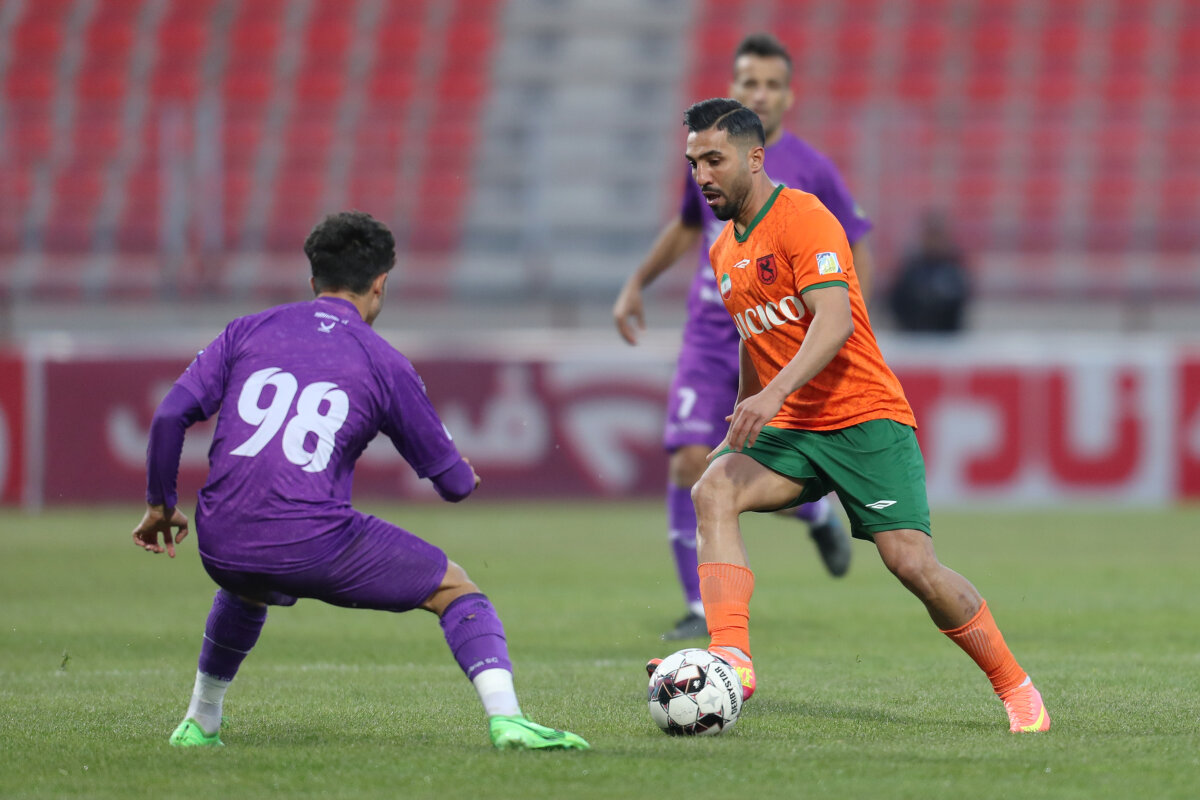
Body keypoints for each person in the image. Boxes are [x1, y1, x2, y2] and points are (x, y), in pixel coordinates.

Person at [647, 98, 1050, 734]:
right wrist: (744, 412)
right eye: (694, 163)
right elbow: (757, 339)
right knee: (713, 488)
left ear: (755, 158)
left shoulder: (805, 218)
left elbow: (833, 323)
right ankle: (733, 658)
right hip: (793, 429)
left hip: (864, 419)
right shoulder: (724, 252)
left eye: (715, 160)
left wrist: (773, 394)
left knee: (911, 564)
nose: (702, 176)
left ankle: (1016, 687)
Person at [132, 211, 589, 751]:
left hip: (221, 540)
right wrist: (464, 472)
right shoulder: (383, 362)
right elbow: (453, 486)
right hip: (313, 540)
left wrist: (160, 505)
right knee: (456, 589)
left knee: (245, 586)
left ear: (313, 281)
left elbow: (169, 415)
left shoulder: (246, 330)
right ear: (380, 284)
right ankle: (509, 719)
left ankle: (200, 721)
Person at [614, 33, 874, 642]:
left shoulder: (812, 170)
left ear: (789, 96)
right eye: (749, 82)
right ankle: (699, 608)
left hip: (782, 337)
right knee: (689, 459)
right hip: (712, 333)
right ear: (733, 88)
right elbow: (687, 227)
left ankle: (813, 513)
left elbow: (852, 244)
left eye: (771, 85)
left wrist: (848, 320)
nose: (759, 93)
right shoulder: (708, 158)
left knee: (777, 466)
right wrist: (637, 283)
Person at [888, 210, 972, 332]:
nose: (934, 241)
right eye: (930, 235)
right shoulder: (911, 268)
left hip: (947, 337)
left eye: (937, 235)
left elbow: (960, 302)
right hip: (913, 335)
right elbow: (896, 301)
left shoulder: (954, 268)